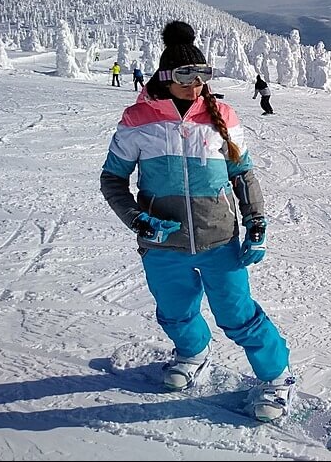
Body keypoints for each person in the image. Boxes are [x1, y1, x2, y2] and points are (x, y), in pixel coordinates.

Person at [100, 21, 293, 422]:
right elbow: (113, 179)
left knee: (239, 315)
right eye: (187, 75)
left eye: (203, 74)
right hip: (162, 245)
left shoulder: (221, 115)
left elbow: (243, 174)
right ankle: (193, 354)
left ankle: (276, 379)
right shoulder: (138, 120)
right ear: (166, 77)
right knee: (175, 311)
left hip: (219, 240)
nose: (196, 83)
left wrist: (255, 221)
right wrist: (138, 220)